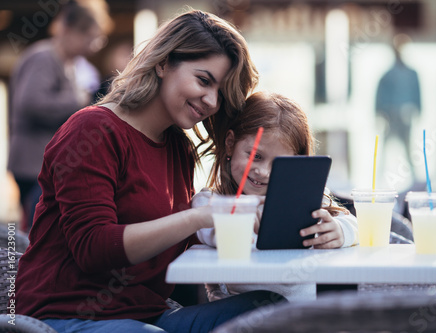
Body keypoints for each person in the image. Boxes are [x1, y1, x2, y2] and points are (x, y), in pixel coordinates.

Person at [14, 9, 285, 333]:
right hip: (63, 317)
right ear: (163, 63)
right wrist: (200, 217)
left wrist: (305, 225)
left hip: (150, 317)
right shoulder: (92, 130)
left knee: (272, 309)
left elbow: (176, 250)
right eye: (203, 80)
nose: (212, 101)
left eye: (221, 93)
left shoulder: (178, 149)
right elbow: (94, 248)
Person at [193, 91, 359, 302]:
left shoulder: (303, 200)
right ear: (230, 143)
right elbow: (214, 232)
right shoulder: (210, 202)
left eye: (277, 163)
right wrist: (242, 216)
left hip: (308, 317)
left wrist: (340, 232)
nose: (263, 171)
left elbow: (353, 223)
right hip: (244, 319)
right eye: (256, 156)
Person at [7, 0, 111, 232]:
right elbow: (31, 102)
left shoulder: (72, 64)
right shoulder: (44, 57)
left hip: (45, 161)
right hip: (32, 162)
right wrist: (81, 101)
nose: (93, 46)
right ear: (70, 29)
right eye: (90, 38)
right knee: (35, 227)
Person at [375, 33, 421, 180]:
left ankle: (414, 179)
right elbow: (380, 95)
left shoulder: (412, 73)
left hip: (405, 116)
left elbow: (417, 94)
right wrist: (380, 113)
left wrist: (417, 110)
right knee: (384, 149)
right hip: (391, 116)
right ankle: (379, 179)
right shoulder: (387, 74)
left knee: (409, 149)